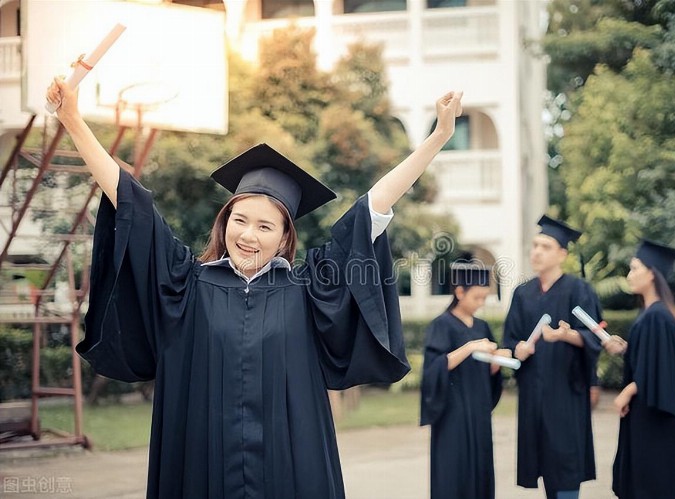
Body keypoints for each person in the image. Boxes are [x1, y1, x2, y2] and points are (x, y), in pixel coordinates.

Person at [46, 77, 463, 498]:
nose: (248, 235)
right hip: (202, 465)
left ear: (284, 237)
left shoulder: (308, 290)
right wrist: (74, 120)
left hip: (291, 468)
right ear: (224, 223)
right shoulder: (185, 284)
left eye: (265, 225)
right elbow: (131, 203)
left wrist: (438, 137)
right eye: (239, 220)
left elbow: (371, 211)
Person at [502, 215, 602, 499]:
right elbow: (509, 342)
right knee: (543, 461)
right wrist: (517, 349)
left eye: (545, 246)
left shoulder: (580, 290)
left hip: (567, 394)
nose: (536, 252)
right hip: (533, 394)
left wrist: (567, 335)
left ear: (562, 254)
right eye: (534, 245)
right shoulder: (522, 294)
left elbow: (595, 337)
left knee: (567, 463)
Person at [420, 262, 510, 499]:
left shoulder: (482, 326)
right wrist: (469, 347)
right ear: (459, 292)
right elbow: (433, 369)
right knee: (454, 470)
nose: (481, 303)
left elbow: (488, 373)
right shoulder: (441, 325)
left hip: (478, 409)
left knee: (479, 467)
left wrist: (496, 361)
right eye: (477, 297)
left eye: (484, 298)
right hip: (452, 412)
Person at [612, 239, 675, 499]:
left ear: (652, 274)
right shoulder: (654, 313)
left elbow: (664, 370)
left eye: (635, 268)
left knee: (651, 484)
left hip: (654, 421)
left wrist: (629, 390)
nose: (629, 275)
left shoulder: (657, 316)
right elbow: (654, 358)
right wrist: (628, 349)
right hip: (648, 416)